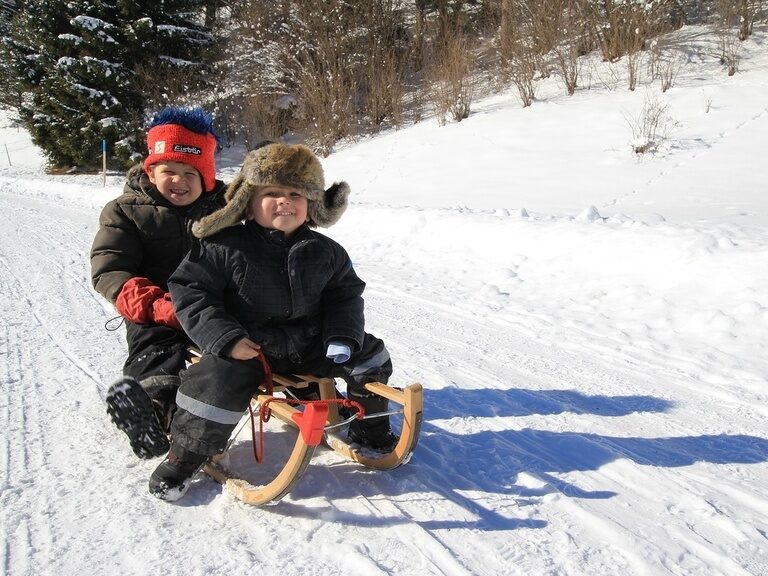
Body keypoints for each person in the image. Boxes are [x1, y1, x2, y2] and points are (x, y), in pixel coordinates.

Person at [150, 142, 397, 501]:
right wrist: (226, 338)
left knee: (372, 354)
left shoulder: (326, 252)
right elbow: (191, 291)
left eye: (296, 193)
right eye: (272, 193)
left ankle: (369, 428)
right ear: (248, 202)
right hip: (249, 348)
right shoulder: (224, 245)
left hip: (310, 343)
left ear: (311, 204)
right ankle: (185, 455)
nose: (285, 201)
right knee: (215, 380)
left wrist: (343, 335)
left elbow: (345, 295)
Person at [91, 107, 226, 460]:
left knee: (261, 338)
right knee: (156, 347)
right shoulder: (126, 211)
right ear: (151, 171)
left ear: (207, 178)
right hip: (156, 307)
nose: (178, 181)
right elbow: (110, 268)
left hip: (213, 306)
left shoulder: (224, 211)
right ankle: (152, 409)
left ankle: (309, 394)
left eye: (189, 173)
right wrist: (153, 305)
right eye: (169, 171)